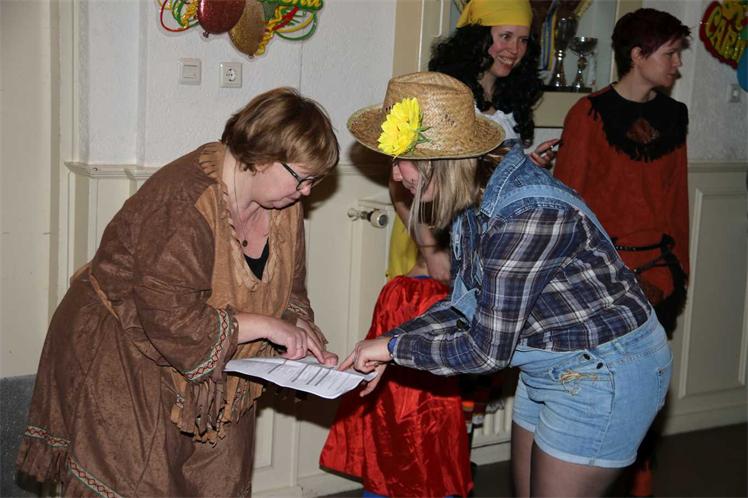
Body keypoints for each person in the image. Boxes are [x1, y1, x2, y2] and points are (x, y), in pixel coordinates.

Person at [341, 71, 673, 497]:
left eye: (401, 159)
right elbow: (466, 305)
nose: (395, 172)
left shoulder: (525, 215)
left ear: (437, 161)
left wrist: (394, 349)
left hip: (604, 369)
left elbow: (484, 350)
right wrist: (392, 339)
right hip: (548, 360)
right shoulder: (472, 193)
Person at [16, 87, 339, 497]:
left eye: (315, 180)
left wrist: (299, 328)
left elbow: (291, 288)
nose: (307, 192)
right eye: (302, 178)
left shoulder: (283, 206)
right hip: (128, 348)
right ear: (260, 157)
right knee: (139, 479)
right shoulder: (184, 201)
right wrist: (267, 326)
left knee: (219, 479)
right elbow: (170, 316)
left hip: (213, 358)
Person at [553, 8, 691, 496]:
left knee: (646, 392)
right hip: (602, 277)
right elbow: (569, 205)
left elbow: (676, 200)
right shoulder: (588, 113)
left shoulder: (675, 115)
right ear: (637, 55)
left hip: (658, 273)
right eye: (670, 53)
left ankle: (639, 479)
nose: (677, 63)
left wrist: (677, 272)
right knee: (600, 393)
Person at [320, 250, 472, 498]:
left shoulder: (393, 289)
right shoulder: (444, 297)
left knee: (385, 462)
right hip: (434, 404)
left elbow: (375, 340)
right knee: (436, 467)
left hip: (387, 399)